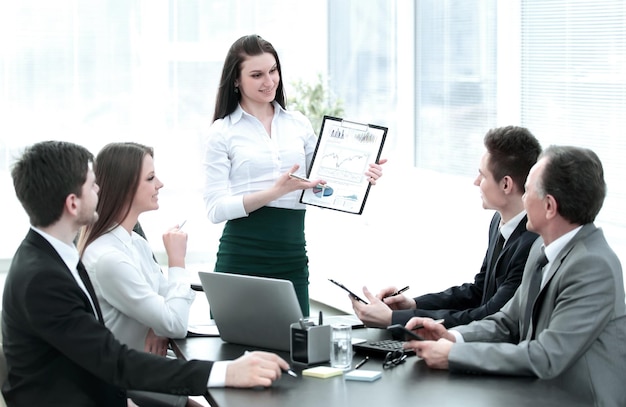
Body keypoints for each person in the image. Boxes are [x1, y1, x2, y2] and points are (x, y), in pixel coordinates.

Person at [2, 141, 290, 406]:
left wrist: (154, 323)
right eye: (92, 186)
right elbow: (115, 361)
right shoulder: (44, 278)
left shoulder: (53, 257)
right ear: (72, 203)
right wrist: (227, 372)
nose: (100, 190)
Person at [405, 146, 626, 406]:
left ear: (549, 206)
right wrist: (453, 336)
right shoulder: (540, 248)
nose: (522, 199)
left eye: (529, 190)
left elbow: (546, 356)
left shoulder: (593, 266)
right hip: (535, 392)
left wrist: (455, 354)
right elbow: (507, 322)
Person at [203, 34, 386, 316]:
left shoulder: (298, 124)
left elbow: (323, 184)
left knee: (296, 348)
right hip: (241, 255)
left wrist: (363, 175)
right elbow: (215, 210)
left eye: (273, 71)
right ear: (236, 80)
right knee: (232, 350)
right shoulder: (222, 132)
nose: (269, 81)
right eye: (257, 75)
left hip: (291, 255)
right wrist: (275, 192)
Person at [351, 126, 542, 328]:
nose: (476, 182)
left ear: (506, 184)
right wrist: (412, 305)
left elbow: (488, 315)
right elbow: (478, 292)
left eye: (482, 176)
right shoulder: (499, 220)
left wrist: (395, 320)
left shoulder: (532, 243)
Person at [79, 142, 193, 356]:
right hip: (127, 379)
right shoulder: (108, 259)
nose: (160, 184)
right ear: (124, 188)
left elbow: (169, 310)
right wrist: (177, 261)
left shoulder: (136, 243)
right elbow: (176, 323)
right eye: (150, 178)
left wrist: (158, 326)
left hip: (149, 364)